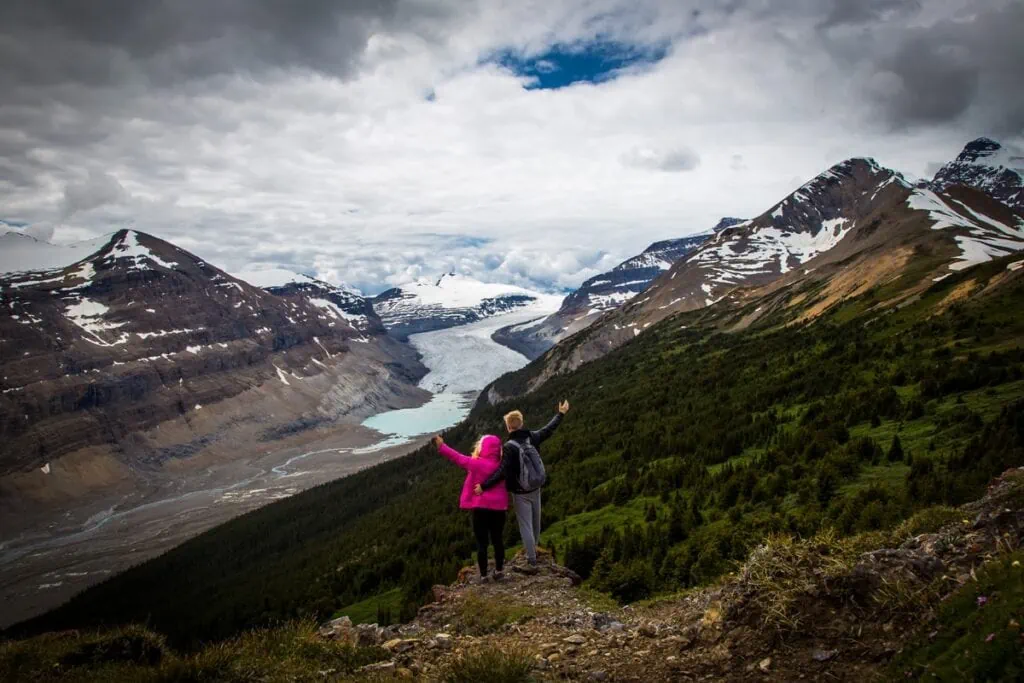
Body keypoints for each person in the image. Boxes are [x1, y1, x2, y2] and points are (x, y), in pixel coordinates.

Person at [475, 400, 569, 574]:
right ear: (522, 423)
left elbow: (501, 471)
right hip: (535, 487)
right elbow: (549, 429)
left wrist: (484, 486)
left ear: (508, 427)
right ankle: (535, 551)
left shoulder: (509, 447)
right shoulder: (532, 437)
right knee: (535, 521)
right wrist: (561, 413)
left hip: (520, 492)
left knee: (525, 525)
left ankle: (532, 561)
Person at [433, 433, 509, 582]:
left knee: (482, 543)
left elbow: (457, 458)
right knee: (498, 540)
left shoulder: (477, 463)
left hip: (480, 508)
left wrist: (442, 446)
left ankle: (483, 575)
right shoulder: (503, 465)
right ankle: (499, 570)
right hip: (500, 508)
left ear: (483, 448)